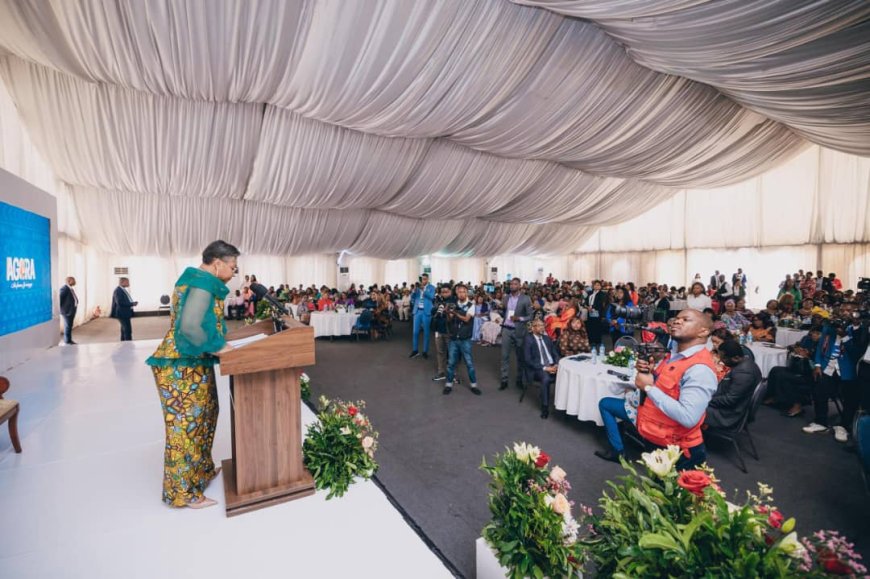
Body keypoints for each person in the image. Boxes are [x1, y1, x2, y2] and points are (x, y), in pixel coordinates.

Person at [146, 240, 239, 509]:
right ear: (217, 262)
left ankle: (200, 474)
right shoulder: (202, 283)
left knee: (205, 418)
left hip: (194, 364)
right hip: (181, 367)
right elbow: (189, 327)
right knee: (185, 429)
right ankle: (183, 493)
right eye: (233, 266)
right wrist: (219, 347)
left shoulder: (196, 279)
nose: (235, 272)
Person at [633, 309, 718, 470]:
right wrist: (650, 374)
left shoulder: (699, 368)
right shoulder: (673, 356)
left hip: (679, 451)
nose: (677, 321)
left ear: (703, 331)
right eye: (677, 318)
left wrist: (649, 387)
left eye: (686, 320)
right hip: (659, 440)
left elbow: (688, 416)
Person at [803, 311, 868, 442]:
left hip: (847, 370)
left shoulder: (858, 331)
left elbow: (857, 353)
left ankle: (843, 426)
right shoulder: (828, 329)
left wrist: (845, 337)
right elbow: (821, 347)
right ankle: (821, 422)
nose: (841, 324)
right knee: (820, 392)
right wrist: (817, 364)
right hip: (828, 367)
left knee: (850, 400)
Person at [704, 340, 762, 430]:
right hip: (731, 407)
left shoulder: (744, 373)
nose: (721, 360)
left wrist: (706, 400)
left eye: (724, 358)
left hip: (728, 415)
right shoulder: (746, 361)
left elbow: (729, 400)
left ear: (736, 358)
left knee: (691, 407)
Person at [443, 284, 479, 396]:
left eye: (463, 292)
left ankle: (474, 385)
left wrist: (454, 313)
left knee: (469, 363)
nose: (461, 294)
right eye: (459, 292)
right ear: (457, 293)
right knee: (450, 363)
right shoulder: (453, 305)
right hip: (454, 338)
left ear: (467, 293)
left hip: (465, 339)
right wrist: (447, 313)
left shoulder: (471, 305)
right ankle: (448, 384)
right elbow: (449, 320)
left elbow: (467, 319)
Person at [499, 278, 533, 391]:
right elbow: (504, 311)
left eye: (515, 284)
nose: (512, 286)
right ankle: (504, 380)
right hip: (506, 330)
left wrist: (519, 318)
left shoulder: (526, 298)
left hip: (519, 330)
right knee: (504, 356)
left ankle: (519, 380)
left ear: (520, 286)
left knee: (520, 357)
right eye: (511, 284)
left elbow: (530, 316)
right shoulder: (506, 297)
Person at [523, 319, 560, 418]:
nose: (542, 327)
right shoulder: (528, 339)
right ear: (532, 328)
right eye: (539, 326)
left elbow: (555, 353)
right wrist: (545, 368)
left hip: (552, 365)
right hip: (537, 368)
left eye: (543, 325)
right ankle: (545, 407)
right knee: (546, 378)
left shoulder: (547, 338)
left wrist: (556, 364)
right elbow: (528, 360)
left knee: (567, 374)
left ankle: (564, 405)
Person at [431, 285, 456, 382]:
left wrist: (447, 311)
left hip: (449, 331)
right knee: (440, 352)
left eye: (446, 291)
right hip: (438, 330)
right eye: (442, 292)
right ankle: (441, 372)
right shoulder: (438, 301)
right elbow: (432, 311)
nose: (444, 293)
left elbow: (454, 316)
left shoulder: (454, 301)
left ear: (450, 291)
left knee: (451, 353)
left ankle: (452, 374)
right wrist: (437, 308)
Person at [410, 273, 436, 359]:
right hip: (417, 312)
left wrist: (424, 290)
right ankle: (415, 350)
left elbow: (432, 297)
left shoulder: (432, 287)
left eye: (425, 279)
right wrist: (414, 291)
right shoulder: (417, 288)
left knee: (426, 333)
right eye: (422, 279)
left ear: (428, 279)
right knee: (415, 332)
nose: (423, 280)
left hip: (426, 312)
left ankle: (425, 351)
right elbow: (412, 297)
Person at [110, 277, 138, 341]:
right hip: (122, 313)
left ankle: (123, 343)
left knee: (124, 330)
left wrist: (132, 303)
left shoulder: (122, 290)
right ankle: (128, 344)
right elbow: (120, 302)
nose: (129, 283)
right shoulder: (118, 290)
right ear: (122, 282)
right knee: (127, 330)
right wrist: (132, 304)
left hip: (124, 313)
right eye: (127, 282)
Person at [586, 280, 608, 348]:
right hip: (589, 311)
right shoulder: (590, 293)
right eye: (595, 285)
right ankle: (591, 340)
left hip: (598, 312)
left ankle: (597, 341)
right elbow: (586, 301)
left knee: (597, 326)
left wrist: (594, 308)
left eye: (598, 285)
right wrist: (587, 307)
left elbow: (602, 304)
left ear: (600, 286)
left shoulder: (602, 294)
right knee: (590, 326)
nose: (596, 286)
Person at [59, 276, 79, 345]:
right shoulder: (64, 288)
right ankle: (67, 341)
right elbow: (59, 300)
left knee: (69, 326)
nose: (75, 282)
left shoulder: (70, 289)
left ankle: (69, 339)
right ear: (69, 281)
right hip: (67, 312)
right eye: (73, 280)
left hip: (71, 310)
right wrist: (63, 309)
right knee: (67, 326)